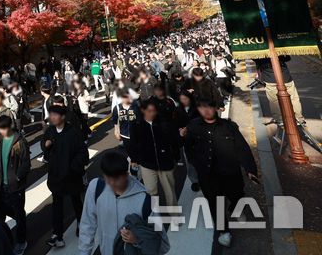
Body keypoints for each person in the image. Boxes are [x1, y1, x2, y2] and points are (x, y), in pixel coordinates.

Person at [184, 94, 258, 248]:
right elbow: (188, 148)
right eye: (202, 107)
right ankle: (223, 231)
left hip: (230, 172)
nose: (206, 111)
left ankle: (235, 208)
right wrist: (197, 163)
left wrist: (250, 169)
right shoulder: (193, 127)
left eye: (209, 107)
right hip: (208, 175)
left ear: (216, 108)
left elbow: (242, 148)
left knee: (237, 194)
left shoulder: (229, 126)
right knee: (215, 203)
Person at [79, 150, 169, 255]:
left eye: (116, 179)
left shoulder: (146, 201)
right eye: (108, 178)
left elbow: (162, 241)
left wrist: (137, 240)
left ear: (126, 174)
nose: (112, 183)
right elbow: (87, 225)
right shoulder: (96, 188)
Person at [41, 104, 89, 248]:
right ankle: (58, 235)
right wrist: (46, 145)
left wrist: (73, 168)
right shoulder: (50, 131)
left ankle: (81, 223)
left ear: (62, 117)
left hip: (71, 176)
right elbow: (44, 145)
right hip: (56, 177)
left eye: (55, 115)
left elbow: (83, 153)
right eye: (51, 115)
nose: (52, 117)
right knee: (57, 206)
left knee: (76, 202)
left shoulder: (73, 132)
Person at [0, 115, 30, 255]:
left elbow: (26, 163)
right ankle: (11, 234)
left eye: (3, 129)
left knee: (18, 213)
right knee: (2, 210)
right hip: (2, 184)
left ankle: (21, 241)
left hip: (16, 186)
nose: (1, 131)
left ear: (9, 127)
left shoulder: (20, 142)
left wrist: (18, 177)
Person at [129, 99, 178, 207]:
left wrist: (175, 156)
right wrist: (134, 159)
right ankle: (155, 215)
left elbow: (174, 139)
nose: (152, 113)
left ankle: (174, 215)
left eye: (154, 111)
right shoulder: (137, 124)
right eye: (149, 111)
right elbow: (133, 143)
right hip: (147, 163)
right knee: (151, 191)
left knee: (170, 191)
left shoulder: (163, 121)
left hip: (165, 162)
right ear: (143, 111)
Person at [254, 55, 305, 124]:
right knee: (293, 98)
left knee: (274, 100)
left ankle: (279, 119)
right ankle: (298, 118)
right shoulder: (277, 45)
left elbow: (255, 58)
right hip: (284, 74)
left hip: (268, 76)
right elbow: (287, 58)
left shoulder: (258, 48)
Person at [111, 87, 140, 155]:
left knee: (139, 150)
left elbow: (140, 119)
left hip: (137, 133)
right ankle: (133, 162)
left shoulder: (136, 106)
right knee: (129, 151)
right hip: (124, 134)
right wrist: (116, 131)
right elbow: (115, 121)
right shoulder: (117, 108)